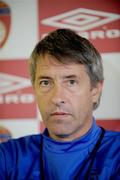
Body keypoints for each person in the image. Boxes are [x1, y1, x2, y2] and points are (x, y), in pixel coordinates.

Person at [0, 29, 120, 180]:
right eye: (45, 82)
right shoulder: (8, 156)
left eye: (71, 82)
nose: (57, 98)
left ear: (95, 91)